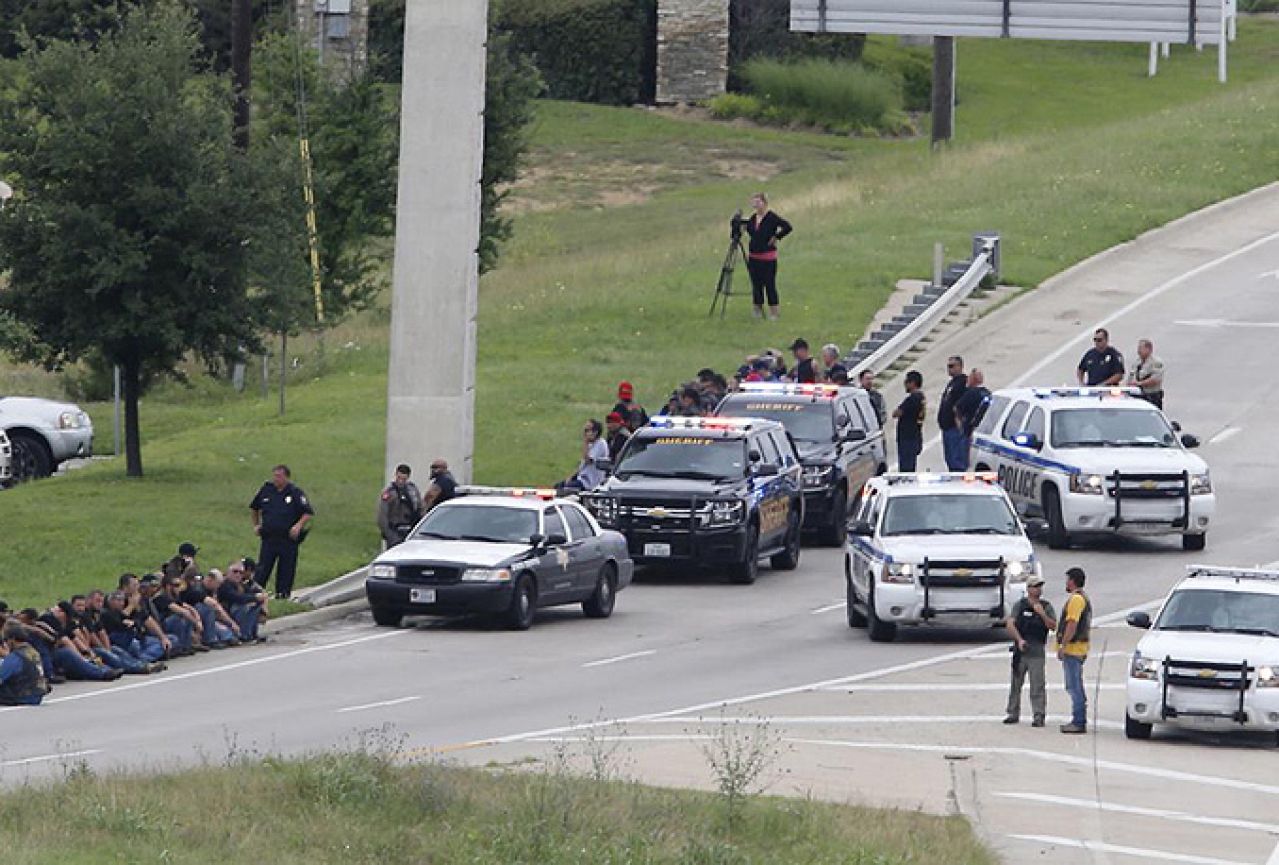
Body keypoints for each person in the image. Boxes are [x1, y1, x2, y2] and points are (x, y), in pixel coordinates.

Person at [249, 464, 315, 599]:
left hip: (287, 539)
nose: (276, 479)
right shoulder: (267, 490)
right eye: (275, 475)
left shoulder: (295, 492)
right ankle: (255, 593)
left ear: (286, 477)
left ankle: (282, 594)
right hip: (269, 537)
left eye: (279, 476)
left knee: (286, 569)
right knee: (263, 567)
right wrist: (256, 525)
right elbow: (254, 508)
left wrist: (298, 526)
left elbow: (307, 512)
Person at [1003, 575, 1057, 727]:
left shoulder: (1046, 606)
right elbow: (1010, 624)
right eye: (1035, 586)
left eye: (1039, 586)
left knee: (1037, 684)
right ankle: (1012, 712)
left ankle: (1038, 715)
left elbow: (1053, 626)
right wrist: (1019, 640)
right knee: (1015, 683)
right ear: (1028, 589)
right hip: (1021, 650)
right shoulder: (1020, 605)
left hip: (1037, 650)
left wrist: (1042, 614)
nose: (1038, 589)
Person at [743, 192, 793, 320]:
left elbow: (787, 226)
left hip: (768, 258)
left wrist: (777, 237)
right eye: (754, 202)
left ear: (764, 203)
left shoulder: (771, 217)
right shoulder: (753, 218)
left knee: (769, 284)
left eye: (758, 202)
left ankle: (774, 312)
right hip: (754, 257)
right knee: (756, 284)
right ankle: (757, 309)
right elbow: (749, 230)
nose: (756, 205)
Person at [1057, 567, 1093, 734]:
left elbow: (1072, 624)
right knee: (1074, 684)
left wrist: (1063, 645)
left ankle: (1078, 721)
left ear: (1072, 581)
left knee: (1074, 686)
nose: (1066, 582)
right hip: (1079, 648)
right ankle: (1078, 719)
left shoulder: (1076, 600)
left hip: (1074, 649)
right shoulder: (1081, 598)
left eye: (1067, 579)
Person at [0, 619, 48, 706]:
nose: (5, 643)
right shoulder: (33, 652)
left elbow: (1, 677)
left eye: (6, 640)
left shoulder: (15, 656)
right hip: (37, 694)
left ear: (12, 639)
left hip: (22, 696)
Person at [378, 463, 423, 547]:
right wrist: (388, 533)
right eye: (399, 478)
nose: (401, 481)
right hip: (395, 531)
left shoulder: (412, 490)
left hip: (411, 530)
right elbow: (382, 515)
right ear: (396, 475)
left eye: (404, 479)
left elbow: (420, 508)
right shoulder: (389, 492)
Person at [953, 368, 991, 465]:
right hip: (982, 433)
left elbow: (957, 408)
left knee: (961, 463)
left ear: (973, 379)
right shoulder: (988, 394)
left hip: (968, 432)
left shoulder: (971, 393)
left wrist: (960, 425)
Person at [560, 419, 609, 493]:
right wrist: (571, 477)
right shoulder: (591, 444)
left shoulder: (600, 444)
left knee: (565, 489)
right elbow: (582, 465)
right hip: (582, 479)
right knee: (558, 486)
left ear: (595, 432)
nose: (584, 433)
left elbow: (588, 460)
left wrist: (585, 442)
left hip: (590, 483)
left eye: (587, 430)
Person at [938, 356, 969, 471]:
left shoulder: (963, 383)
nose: (949, 369)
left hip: (955, 428)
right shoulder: (952, 383)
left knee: (957, 461)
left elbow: (963, 405)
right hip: (947, 428)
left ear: (960, 367)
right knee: (950, 460)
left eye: (952, 366)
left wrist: (960, 421)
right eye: (948, 366)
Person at [893, 371, 926, 472]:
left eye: (907, 381)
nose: (905, 384)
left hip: (908, 437)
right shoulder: (921, 397)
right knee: (910, 466)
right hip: (915, 435)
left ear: (913, 383)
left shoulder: (912, 399)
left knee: (906, 469)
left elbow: (896, 413)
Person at [1128, 338, 1165, 409]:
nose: (1138, 351)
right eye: (1138, 348)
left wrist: (1140, 383)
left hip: (1151, 396)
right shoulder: (1137, 362)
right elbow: (1131, 376)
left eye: (1141, 348)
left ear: (1149, 349)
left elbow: (1155, 379)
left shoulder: (1156, 363)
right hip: (1137, 395)